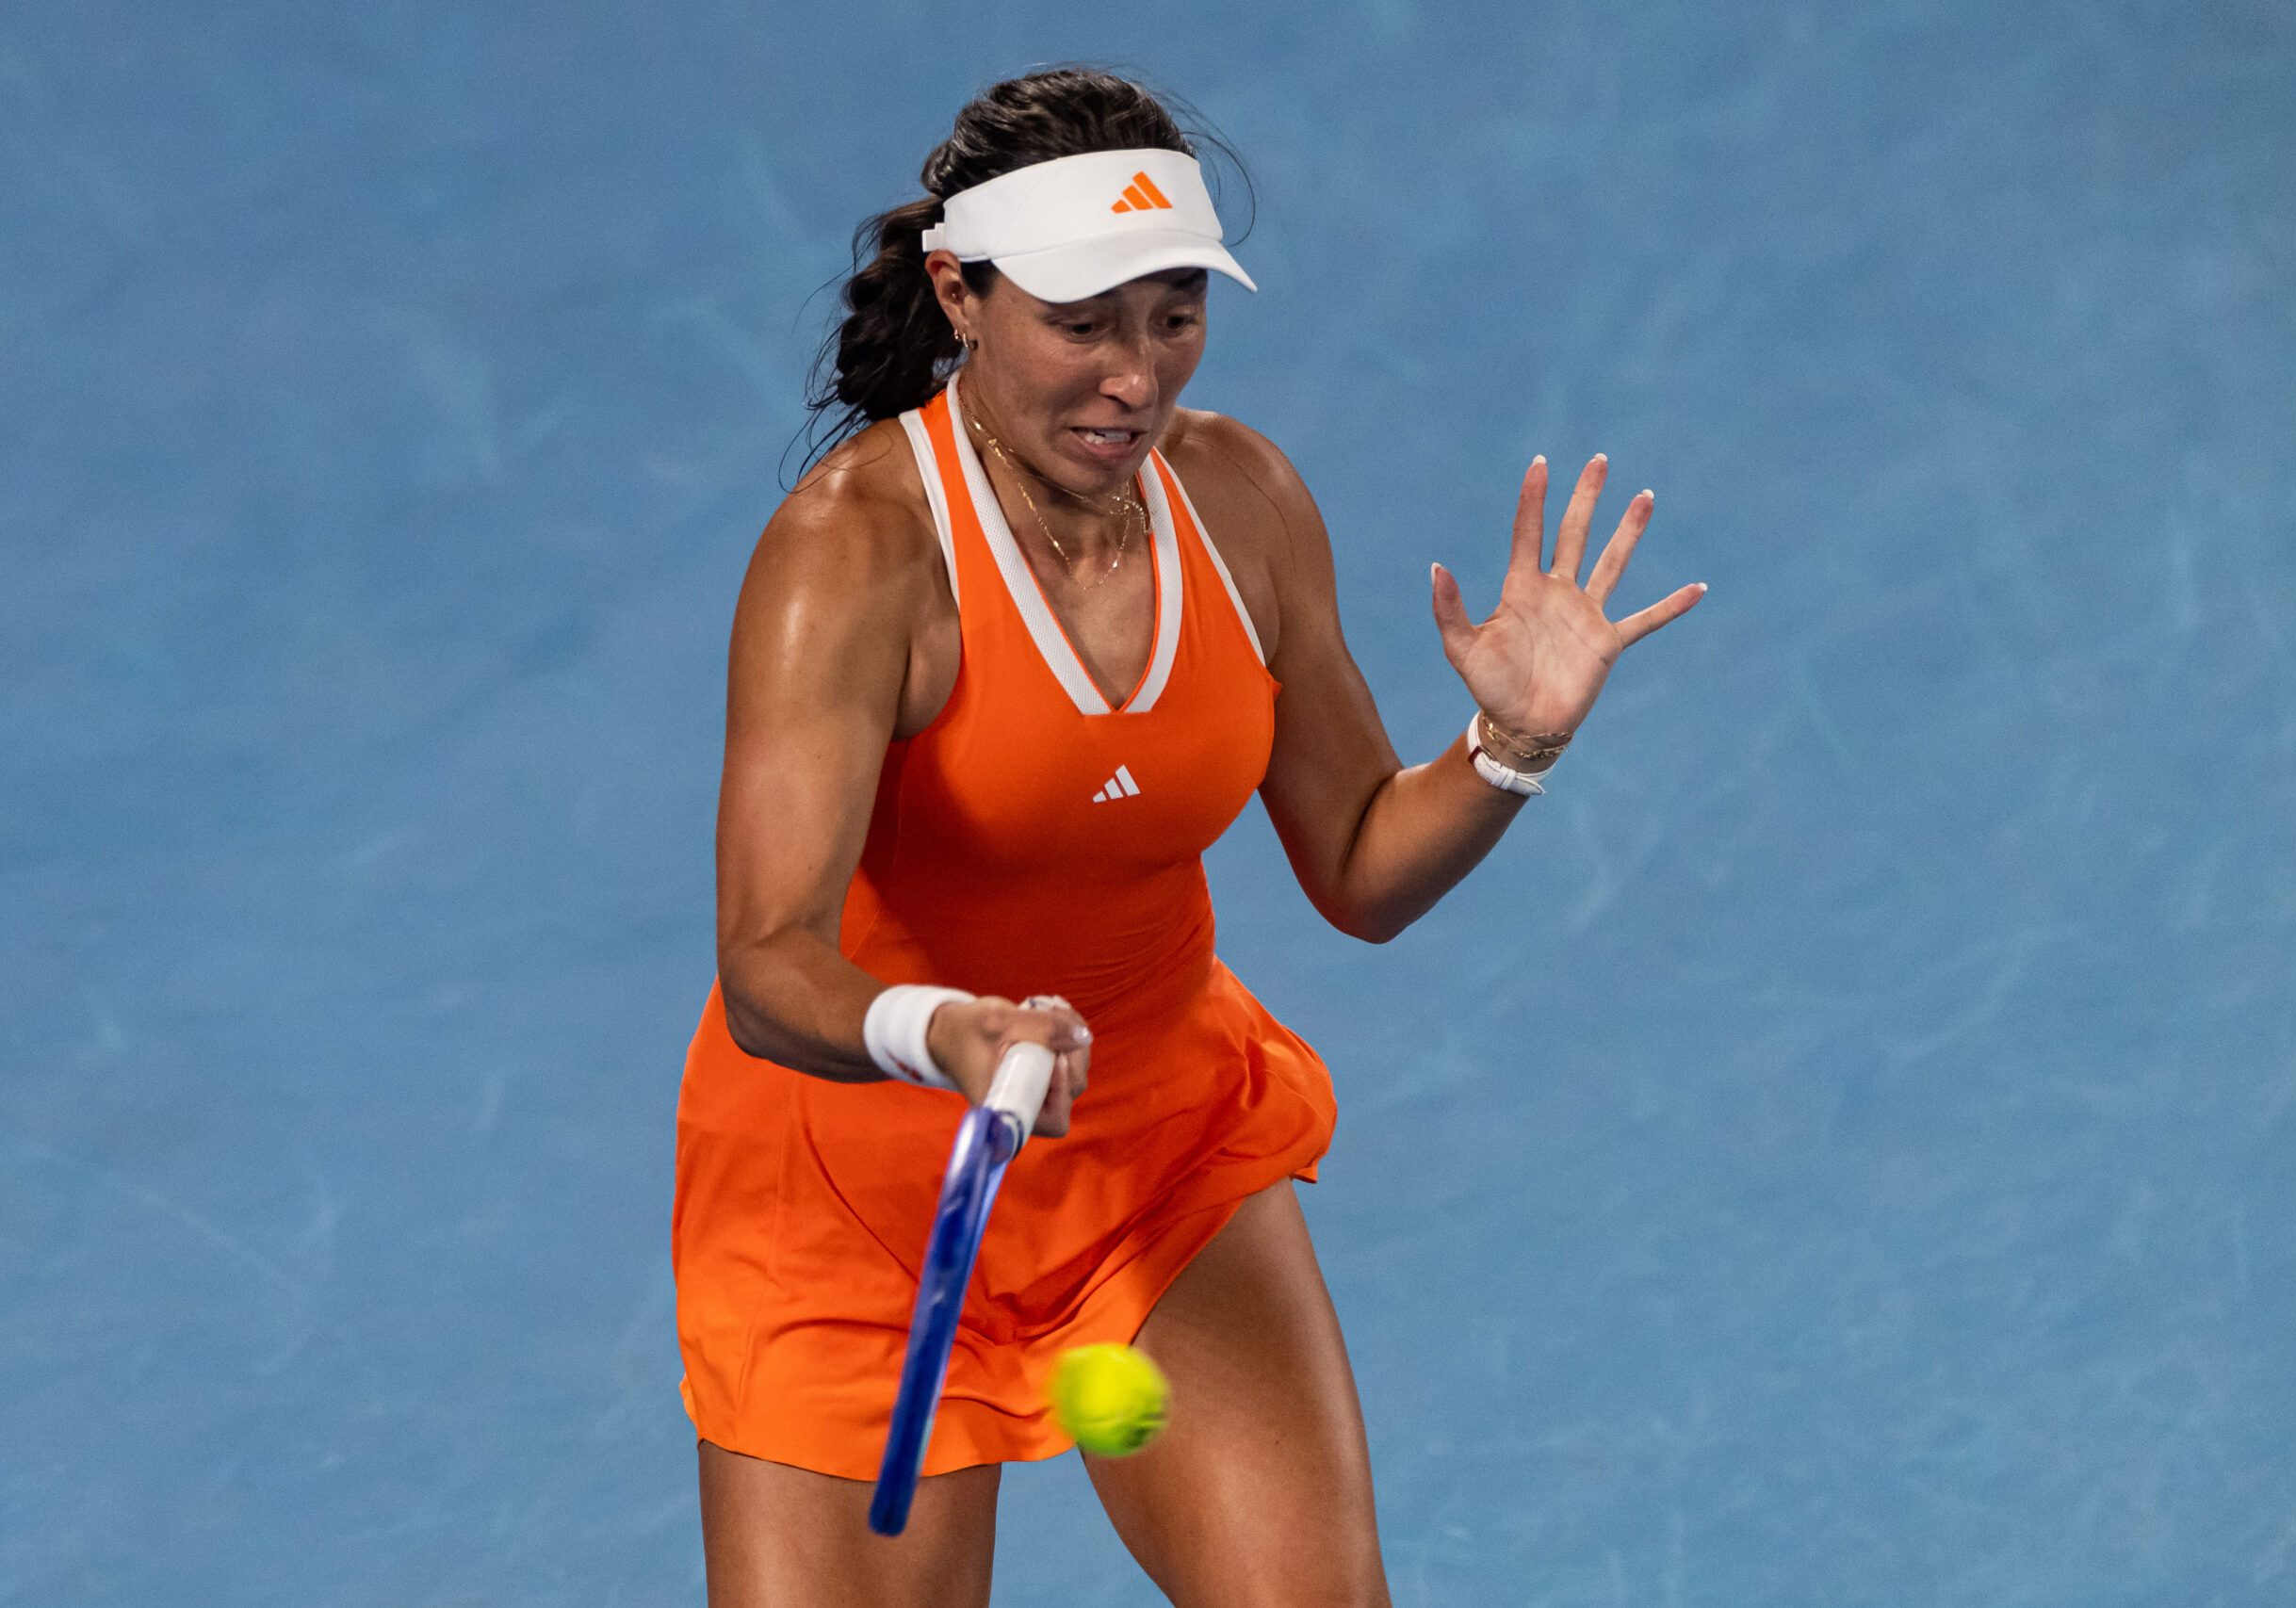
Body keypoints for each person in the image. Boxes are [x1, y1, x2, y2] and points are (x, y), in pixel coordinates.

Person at [671, 66, 1703, 1608]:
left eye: (1173, 316)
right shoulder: (858, 559)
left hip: (1155, 1153)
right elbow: (766, 965)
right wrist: (947, 1028)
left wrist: (1512, 746)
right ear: (961, 291)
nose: (1134, 380)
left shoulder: (1239, 499)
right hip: (859, 1209)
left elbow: (1359, 864)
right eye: (1082, 323)